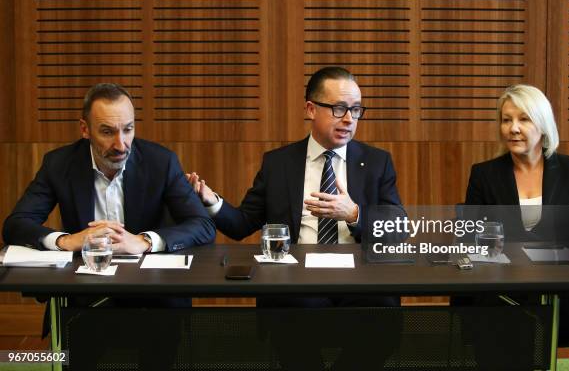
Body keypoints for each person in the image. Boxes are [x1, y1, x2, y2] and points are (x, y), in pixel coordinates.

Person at [187, 67, 403, 370]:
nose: (349, 119)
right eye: (339, 108)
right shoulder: (279, 163)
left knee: (382, 314)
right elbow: (242, 224)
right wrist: (212, 202)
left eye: (356, 110)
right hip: (298, 281)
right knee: (289, 313)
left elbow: (398, 226)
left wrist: (354, 214)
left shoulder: (377, 161)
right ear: (311, 109)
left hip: (360, 280)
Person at [2, 82, 216, 369]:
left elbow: (202, 225)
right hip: (87, 298)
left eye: (128, 129)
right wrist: (66, 240)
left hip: (152, 299)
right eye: (107, 131)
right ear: (84, 129)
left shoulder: (160, 161)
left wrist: (144, 241)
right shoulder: (59, 164)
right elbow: (16, 224)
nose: (120, 144)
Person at [460, 84, 569, 368]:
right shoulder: (484, 174)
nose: (513, 128)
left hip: (562, 290)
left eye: (523, 119)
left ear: (543, 124)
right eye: (506, 119)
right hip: (502, 289)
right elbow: (467, 237)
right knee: (496, 318)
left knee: (521, 322)